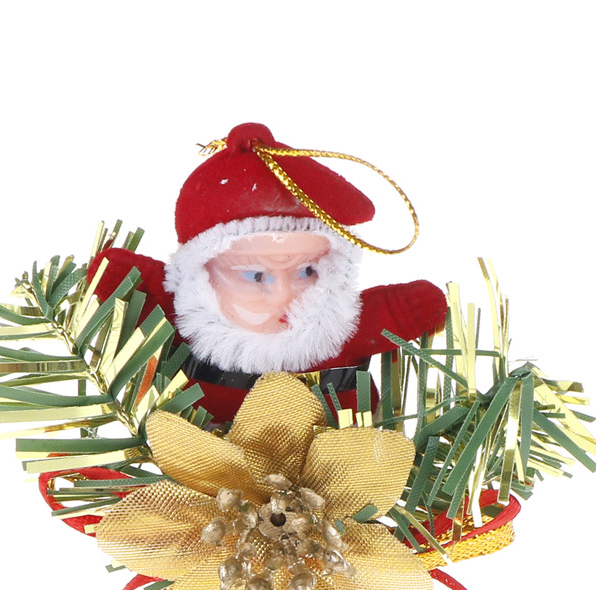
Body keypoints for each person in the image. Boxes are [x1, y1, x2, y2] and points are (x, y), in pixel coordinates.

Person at [88, 122, 447, 423]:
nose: (284, 295)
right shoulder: (183, 317)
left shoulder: (341, 326)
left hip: (334, 467)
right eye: (256, 276)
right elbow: (134, 286)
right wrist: (126, 282)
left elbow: (393, 313)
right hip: (197, 458)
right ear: (200, 276)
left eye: (306, 271)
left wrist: (408, 309)